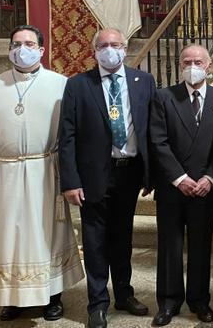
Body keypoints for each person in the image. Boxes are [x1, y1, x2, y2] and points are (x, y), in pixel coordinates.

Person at [0, 25, 84, 322]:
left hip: (45, 171)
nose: (21, 49)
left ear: (41, 50)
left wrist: (74, 176)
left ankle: (52, 296)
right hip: (4, 174)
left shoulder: (61, 84)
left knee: (44, 233)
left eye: (28, 43)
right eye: (16, 43)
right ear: (9, 48)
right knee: (8, 234)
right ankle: (12, 298)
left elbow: (73, 134)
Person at [59, 28, 157, 328]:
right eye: (103, 45)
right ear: (94, 51)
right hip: (93, 176)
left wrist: (150, 174)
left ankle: (124, 294)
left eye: (115, 44)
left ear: (125, 48)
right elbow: (67, 136)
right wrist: (71, 181)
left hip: (129, 173)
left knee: (122, 238)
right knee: (95, 241)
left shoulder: (144, 82)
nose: (110, 49)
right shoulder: (78, 85)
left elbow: (152, 130)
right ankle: (97, 302)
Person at [149, 44, 213, 326]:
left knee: (201, 246)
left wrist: (210, 177)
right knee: (169, 245)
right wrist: (179, 178)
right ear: (181, 66)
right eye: (187, 61)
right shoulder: (164, 97)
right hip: (173, 186)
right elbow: (158, 141)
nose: (192, 65)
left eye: (198, 61)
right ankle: (168, 302)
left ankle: (199, 300)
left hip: (205, 186)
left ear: (209, 66)